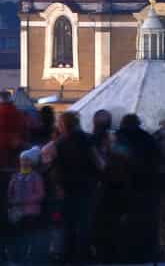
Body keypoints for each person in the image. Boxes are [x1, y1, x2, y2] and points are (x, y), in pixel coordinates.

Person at [47, 111, 100, 264]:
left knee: (67, 224)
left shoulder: (59, 143)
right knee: (84, 223)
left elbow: (54, 167)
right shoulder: (88, 140)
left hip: (67, 188)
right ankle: (82, 256)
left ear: (63, 125)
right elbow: (99, 164)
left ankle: (67, 256)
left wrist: (58, 186)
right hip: (87, 187)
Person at [113, 113, 162, 264]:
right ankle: (145, 255)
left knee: (124, 225)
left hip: (122, 188)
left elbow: (117, 160)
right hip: (146, 188)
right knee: (144, 225)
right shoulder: (148, 138)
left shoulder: (118, 138)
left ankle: (125, 255)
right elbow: (157, 161)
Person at [5, 150, 46, 265]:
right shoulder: (16, 176)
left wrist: (24, 200)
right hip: (17, 212)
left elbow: (40, 194)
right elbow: (10, 192)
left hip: (31, 212)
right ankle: (17, 258)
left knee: (29, 235)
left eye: (26, 159)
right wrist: (12, 201)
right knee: (17, 235)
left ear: (32, 161)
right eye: (22, 160)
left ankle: (29, 258)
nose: (23, 162)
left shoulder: (36, 177)